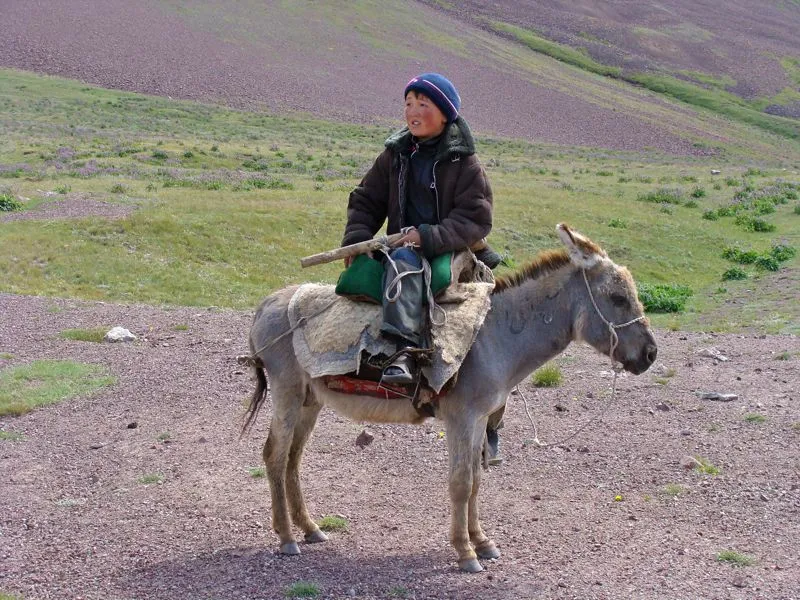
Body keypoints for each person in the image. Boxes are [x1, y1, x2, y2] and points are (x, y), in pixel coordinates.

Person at [341, 72, 504, 462]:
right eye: (408, 103)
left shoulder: (464, 163)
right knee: (370, 273)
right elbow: (366, 200)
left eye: (422, 104)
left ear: (444, 115)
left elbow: (475, 218)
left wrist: (427, 236)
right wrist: (357, 238)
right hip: (403, 247)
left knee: (489, 331)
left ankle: (487, 420)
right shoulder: (395, 154)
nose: (412, 112)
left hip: (449, 247)